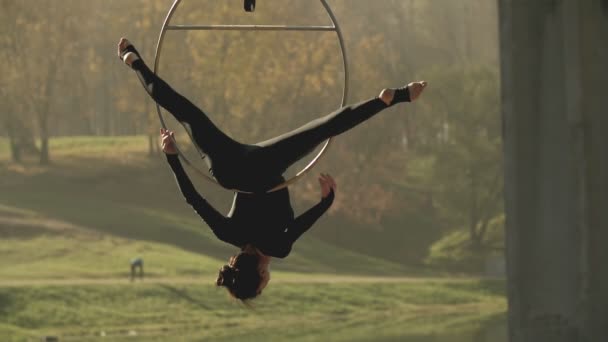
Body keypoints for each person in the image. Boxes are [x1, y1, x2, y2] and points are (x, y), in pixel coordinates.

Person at [118, 38, 427, 301]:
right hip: (229, 168)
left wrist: (326, 200)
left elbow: (307, 220)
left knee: (323, 129)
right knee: (183, 110)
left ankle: (391, 99)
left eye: (264, 284)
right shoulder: (228, 234)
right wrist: (172, 155)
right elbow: (192, 198)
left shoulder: (280, 247)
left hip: (266, 170)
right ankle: (133, 60)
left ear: (262, 274)